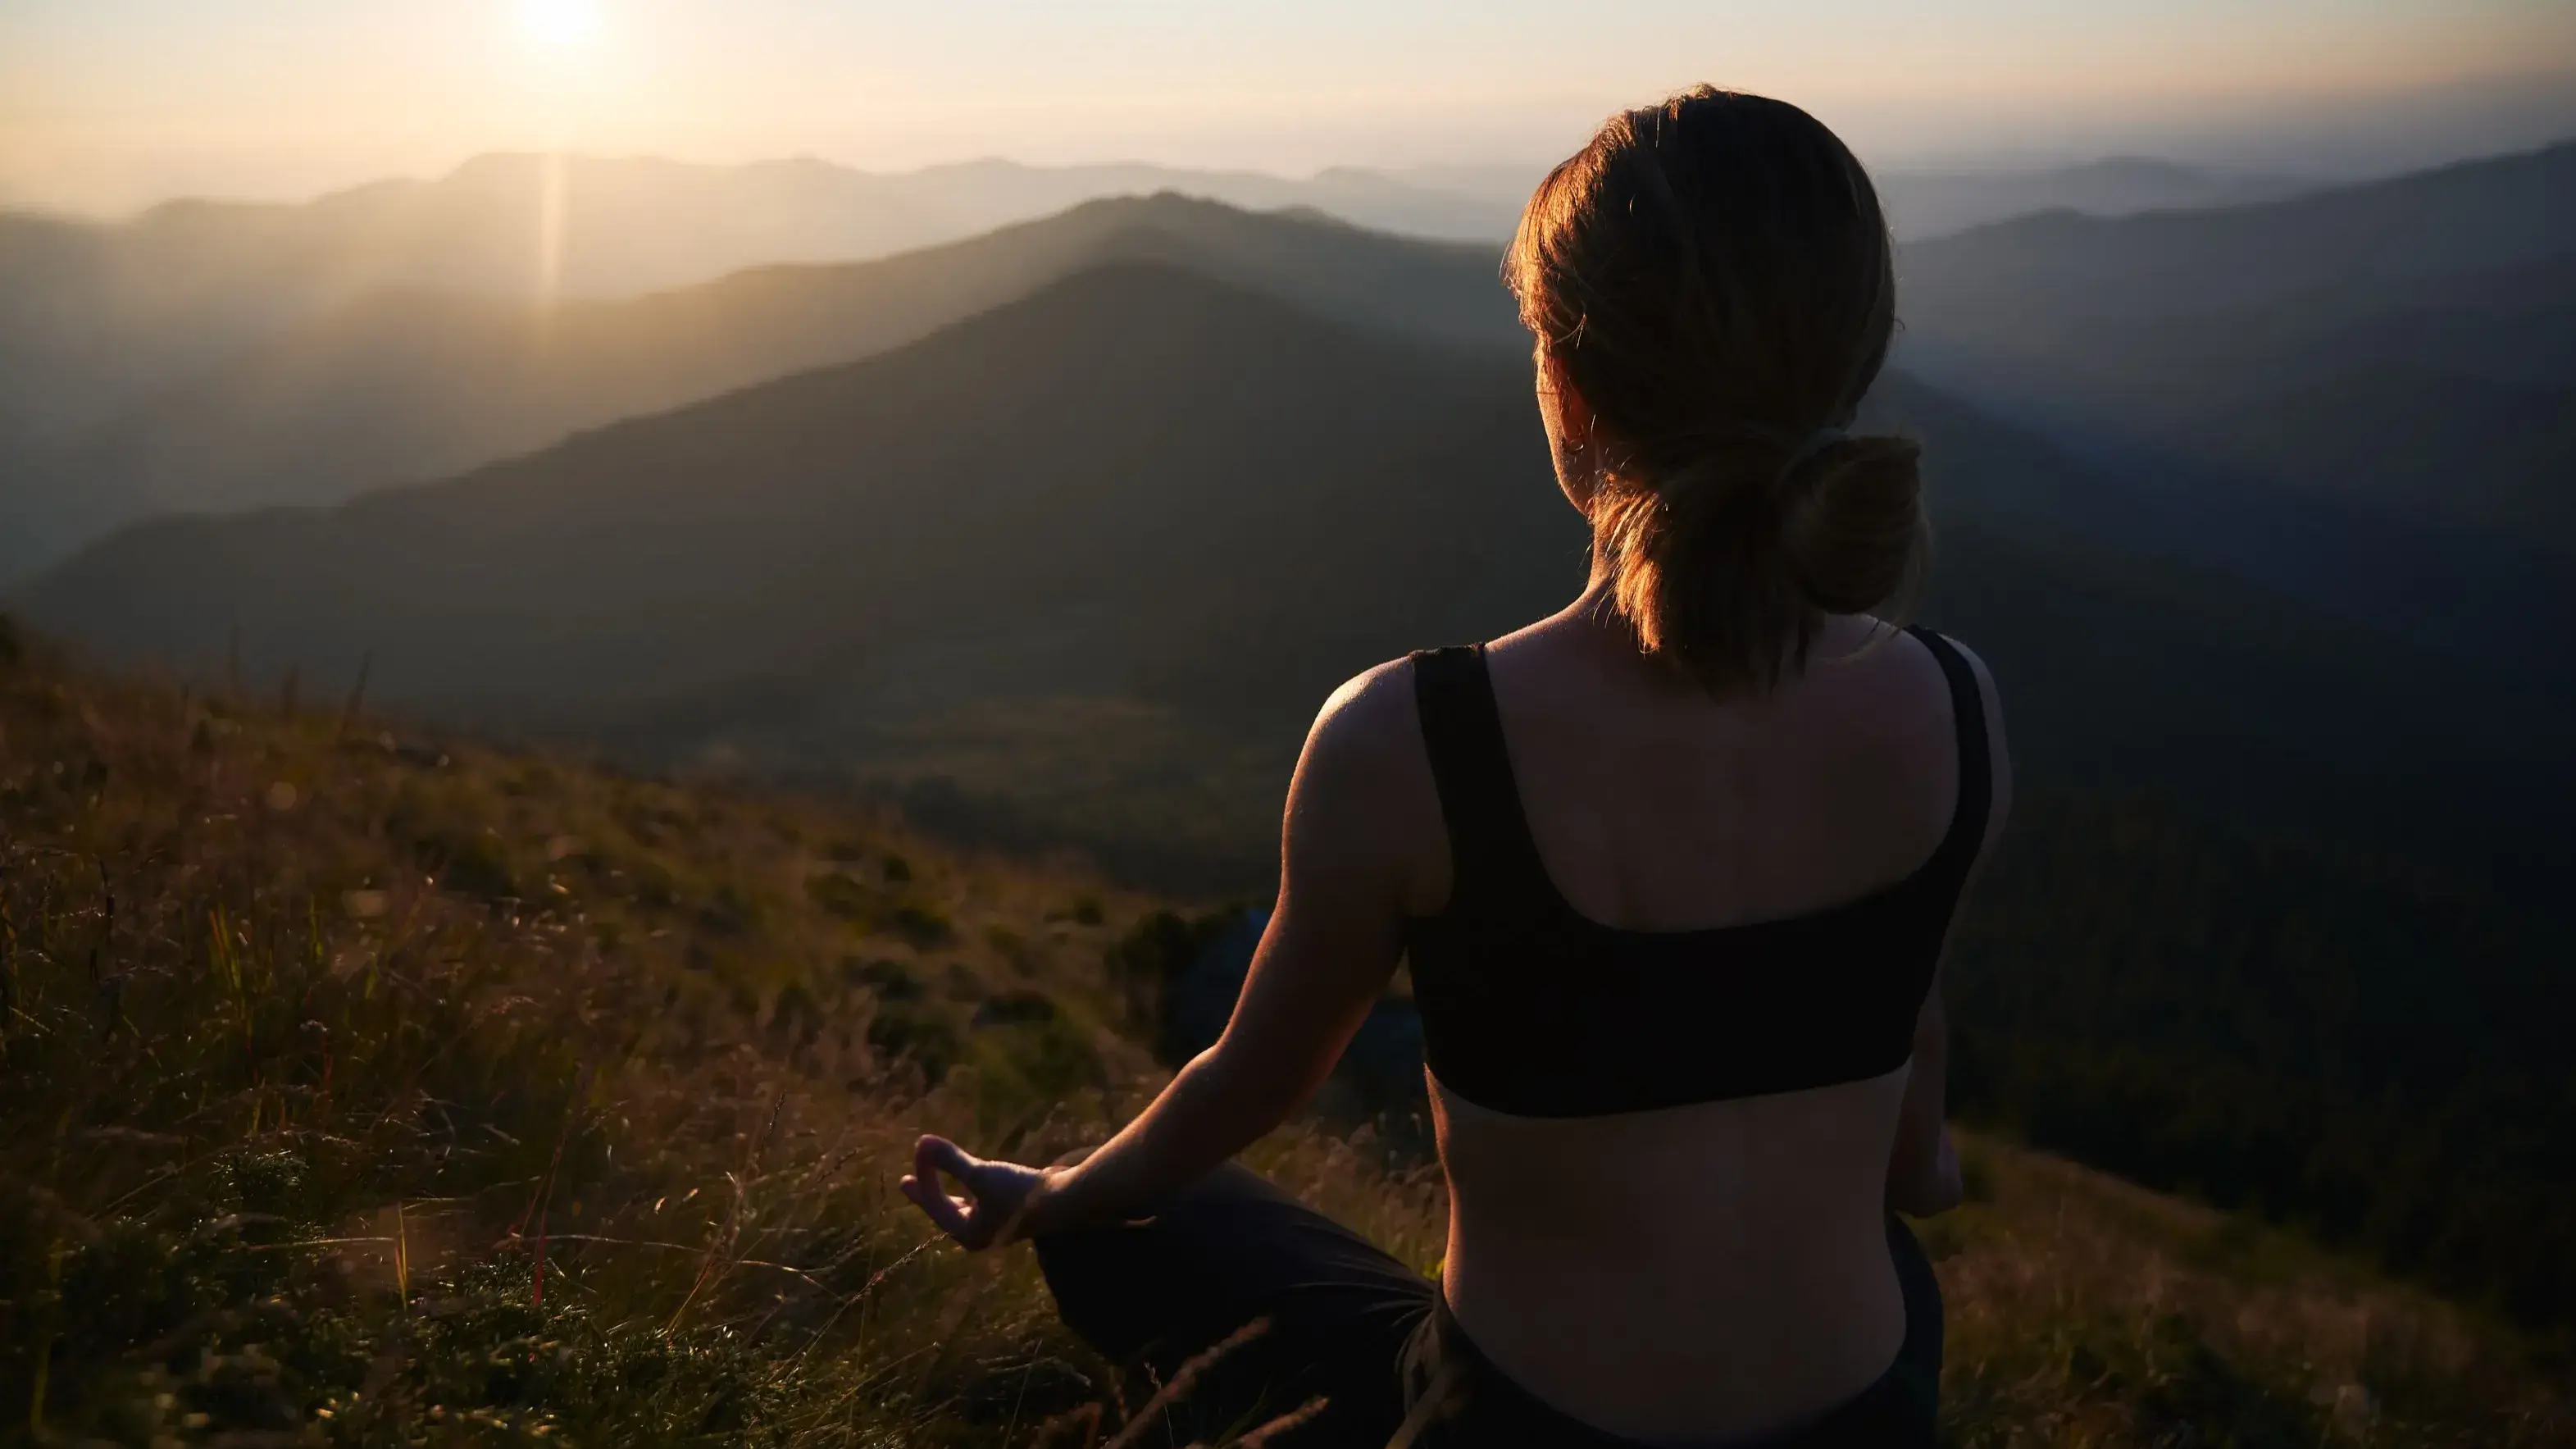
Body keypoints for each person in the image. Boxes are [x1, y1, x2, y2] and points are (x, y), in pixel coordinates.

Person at [899, 85, 2010, 1448]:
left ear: (1571, 392)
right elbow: (1916, 1139)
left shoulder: (1411, 742)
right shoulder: (1954, 707)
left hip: (1519, 1424)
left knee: (1137, 1220)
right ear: (1849, 366)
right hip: (1866, 1417)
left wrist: (1049, 1196)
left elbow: (1249, 1082)